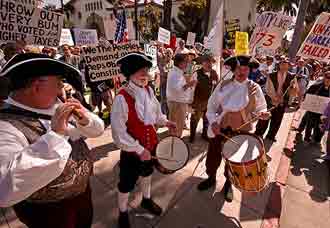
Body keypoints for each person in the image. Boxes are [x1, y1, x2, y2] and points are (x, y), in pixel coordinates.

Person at [0, 53, 105, 228]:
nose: (60, 90)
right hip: (50, 213)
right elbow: (5, 188)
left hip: (83, 195)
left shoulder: (53, 104)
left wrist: (85, 120)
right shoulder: (5, 126)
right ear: (36, 86)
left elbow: (98, 130)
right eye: (57, 83)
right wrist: (56, 135)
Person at [111, 53, 176, 228]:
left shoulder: (148, 90)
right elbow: (119, 133)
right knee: (126, 183)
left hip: (151, 145)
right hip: (132, 151)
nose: (145, 74)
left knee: (147, 174)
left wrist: (165, 121)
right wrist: (139, 150)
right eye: (141, 71)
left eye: (146, 70)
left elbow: (155, 113)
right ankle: (122, 212)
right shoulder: (121, 98)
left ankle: (146, 200)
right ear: (130, 73)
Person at [197, 55, 270, 202]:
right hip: (220, 128)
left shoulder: (255, 88)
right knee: (213, 156)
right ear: (234, 70)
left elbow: (262, 108)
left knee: (234, 161)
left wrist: (263, 114)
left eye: (245, 69)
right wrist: (213, 122)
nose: (241, 72)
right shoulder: (223, 85)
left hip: (241, 131)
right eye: (238, 68)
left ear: (249, 70)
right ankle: (211, 178)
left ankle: (228, 183)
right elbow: (211, 107)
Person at [255, 58, 299, 142]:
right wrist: (274, 98)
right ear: (279, 65)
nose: (284, 67)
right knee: (264, 118)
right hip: (270, 100)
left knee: (277, 120)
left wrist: (293, 87)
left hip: (282, 102)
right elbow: (268, 88)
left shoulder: (292, 77)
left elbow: (294, 92)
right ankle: (258, 133)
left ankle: (271, 135)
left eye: (286, 65)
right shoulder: (271, 75)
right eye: (282, 65)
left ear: (288, 66)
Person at [189, 51, 219, 143]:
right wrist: (190, 102)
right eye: (206, 62)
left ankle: (204, 134)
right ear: (202, 63)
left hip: (210, 102)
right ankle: (192, 135)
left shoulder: (215, 74)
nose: (208, 64)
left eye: (210, 62)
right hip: (198, 101)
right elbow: (191, 89)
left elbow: (217, 88)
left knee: (207, 119)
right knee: (194, 119)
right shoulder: (196, 74)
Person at [167, 54, 196, 137]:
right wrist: (189, 84)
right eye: (186, 61)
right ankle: (175, 142)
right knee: (176, 125)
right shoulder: (175, 73)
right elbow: (177, 89)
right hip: (177, 103)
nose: (187, 64)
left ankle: (175, 140)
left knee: (177, 125)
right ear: (180, 63)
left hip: (178, 102)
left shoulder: (177, 72)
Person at [296, 71, 330, 143]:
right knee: (309, 123)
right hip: (312, 110)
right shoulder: (316, 86)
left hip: (324, 113)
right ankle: (306, 138)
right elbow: (306, 95)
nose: (328, 80)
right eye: (327, 78)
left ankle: (317, 139)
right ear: (324, 78)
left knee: (320, 126)